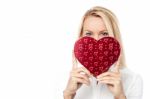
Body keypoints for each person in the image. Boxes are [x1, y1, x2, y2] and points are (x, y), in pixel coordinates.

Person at [63, 6, 143, 99]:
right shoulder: (64, 79)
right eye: (89, 34)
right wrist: (68, 94)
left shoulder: (133, 79)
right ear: (81, 37)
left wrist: (120, 96)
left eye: (105, 33)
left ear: (115, 37)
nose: (96, 40)